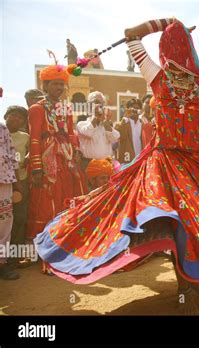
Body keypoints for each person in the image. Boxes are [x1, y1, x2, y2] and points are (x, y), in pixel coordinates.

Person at [33, 18, 199, 309]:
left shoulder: (157, 77)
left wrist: (164, 24)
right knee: (189, 223)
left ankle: (187, 286)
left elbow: (130, 36)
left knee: (173, 223)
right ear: (191, 49)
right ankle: (187, 286)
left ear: (164, 49)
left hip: (160, 164)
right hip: (194, 164)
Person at [27, 63, 86, 240]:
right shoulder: (37, 109)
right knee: (47, 199)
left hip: (66, 159)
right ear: (45, 86)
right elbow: (35, 139)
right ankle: (43, 242)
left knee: (68, 194)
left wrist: (76, 150)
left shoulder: (66, 108)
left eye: (62, 84)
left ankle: (66, 237)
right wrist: (37, 167)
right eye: (55, 84)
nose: (59, 88)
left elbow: (70, 132)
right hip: (47, 161)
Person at [4, 106, 30, 267]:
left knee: (20, 219)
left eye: (20, 118)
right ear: (6, 116)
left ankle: (15, 257)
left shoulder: (25, 137)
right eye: (13, 116)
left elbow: (32, 152)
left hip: (22, 181)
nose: (16, 119)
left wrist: (28, 156)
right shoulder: (1, 133)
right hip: (4, 183)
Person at [76, 91, 120, 170]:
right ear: (88, 106)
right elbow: (88, 133)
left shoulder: (106, 125)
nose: (98, 106)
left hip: (106, 165)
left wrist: (105, 122)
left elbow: (115, 138)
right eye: (95, 103)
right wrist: (96, 117)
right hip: (88, 165)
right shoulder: (81, 124)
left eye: (101, 104)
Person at [0, 123, 20, 280]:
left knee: (4, 223)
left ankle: (2, 264)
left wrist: (17, 183)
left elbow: (12, 154)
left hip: (5, 180)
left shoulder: (2, 128)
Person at [115, 98, 144, 163]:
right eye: (133, 108)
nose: (135, 110)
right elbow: (121, 136)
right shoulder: (123, 122)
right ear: (128, 109)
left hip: (140, 160)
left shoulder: (143, 124)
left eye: (137, 108)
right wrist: (125, 116)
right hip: (127, 160)